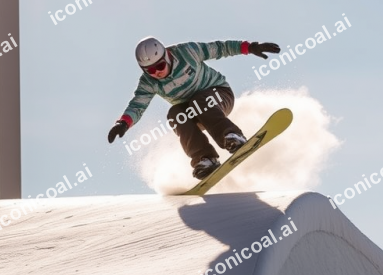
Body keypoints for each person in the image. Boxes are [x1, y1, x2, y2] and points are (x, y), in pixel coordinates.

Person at [107, 37, 280, 178]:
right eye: (150, 70)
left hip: (219, 95)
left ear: (167, 56)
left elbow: (220, 48)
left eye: (160, 66)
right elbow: (138, 104)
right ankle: (205, 158)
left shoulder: (187, 52)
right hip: (193, 112)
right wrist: (123, 123)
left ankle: (232, 136)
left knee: (199, 100)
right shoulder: (148, 82)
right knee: (174, 113)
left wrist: (250, 47)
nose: (157, 73)